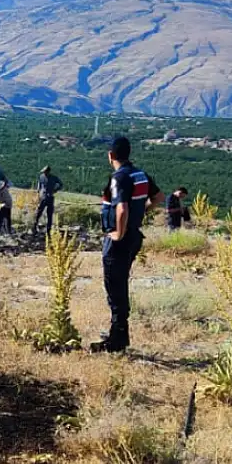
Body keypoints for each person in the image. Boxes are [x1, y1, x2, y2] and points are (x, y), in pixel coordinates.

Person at [92, 136, 160, 354]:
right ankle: (119, 334)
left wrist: (118, 234)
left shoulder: (119, 177)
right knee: (119, 284)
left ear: (110, 155)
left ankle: (117, 339)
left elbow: (121, 208)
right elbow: (159, 197)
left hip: (121, 240)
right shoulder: (139, 174)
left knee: (115, 286)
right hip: (134, 236)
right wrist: (141, 213)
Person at [31, 166, 63, 234]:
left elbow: (61, 184)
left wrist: (55, 190)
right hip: (43, 197)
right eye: (44, 172)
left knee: (49, 214)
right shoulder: (41, 176)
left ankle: (48, 230)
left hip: (49, 197)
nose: (44, 173)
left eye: (45, 172)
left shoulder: (54, 177)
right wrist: (38, 191)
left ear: (48, 171)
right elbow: (39, 184)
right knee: (39, 213)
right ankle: (34, 227)